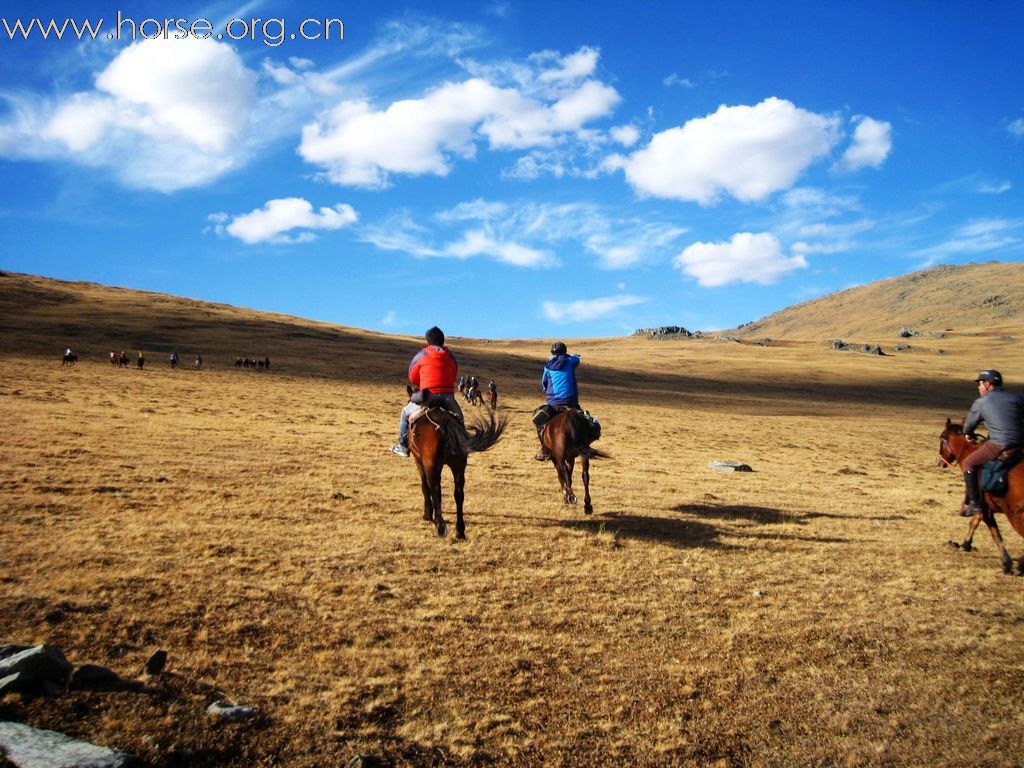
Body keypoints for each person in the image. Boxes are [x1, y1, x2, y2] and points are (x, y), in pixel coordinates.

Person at [390, 326, 464, 457]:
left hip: (427, 396)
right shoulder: (450, 357)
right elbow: (454, 374)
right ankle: (463, 446)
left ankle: (402, 446)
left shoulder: (422, 355)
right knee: (459, 419)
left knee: (405, 413)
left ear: (428, 341)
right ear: (443, 341)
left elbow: (412, 376)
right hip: (447, 397)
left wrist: (423, 381)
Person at [960, 369, 1024, 516]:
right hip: (1021, 443)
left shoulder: (981, 402)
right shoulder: (1018, 397)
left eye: (980, 384)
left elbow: (969, 426)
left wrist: (968, 435)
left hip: (999, 444)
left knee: (968, 464)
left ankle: (975, 504)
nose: (978, 387)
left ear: (988, 385)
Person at [534, 341, 582, 460]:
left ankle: (544, 448)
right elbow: (577, 359)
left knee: (539, 421)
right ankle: (587, 440)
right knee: (585, 419)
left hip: (553, 403)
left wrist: (547, 390)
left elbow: (544, 383)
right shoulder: (570, 361)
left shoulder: (547, 366)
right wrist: (572, 356)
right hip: (571, 401)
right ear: (565, 352)